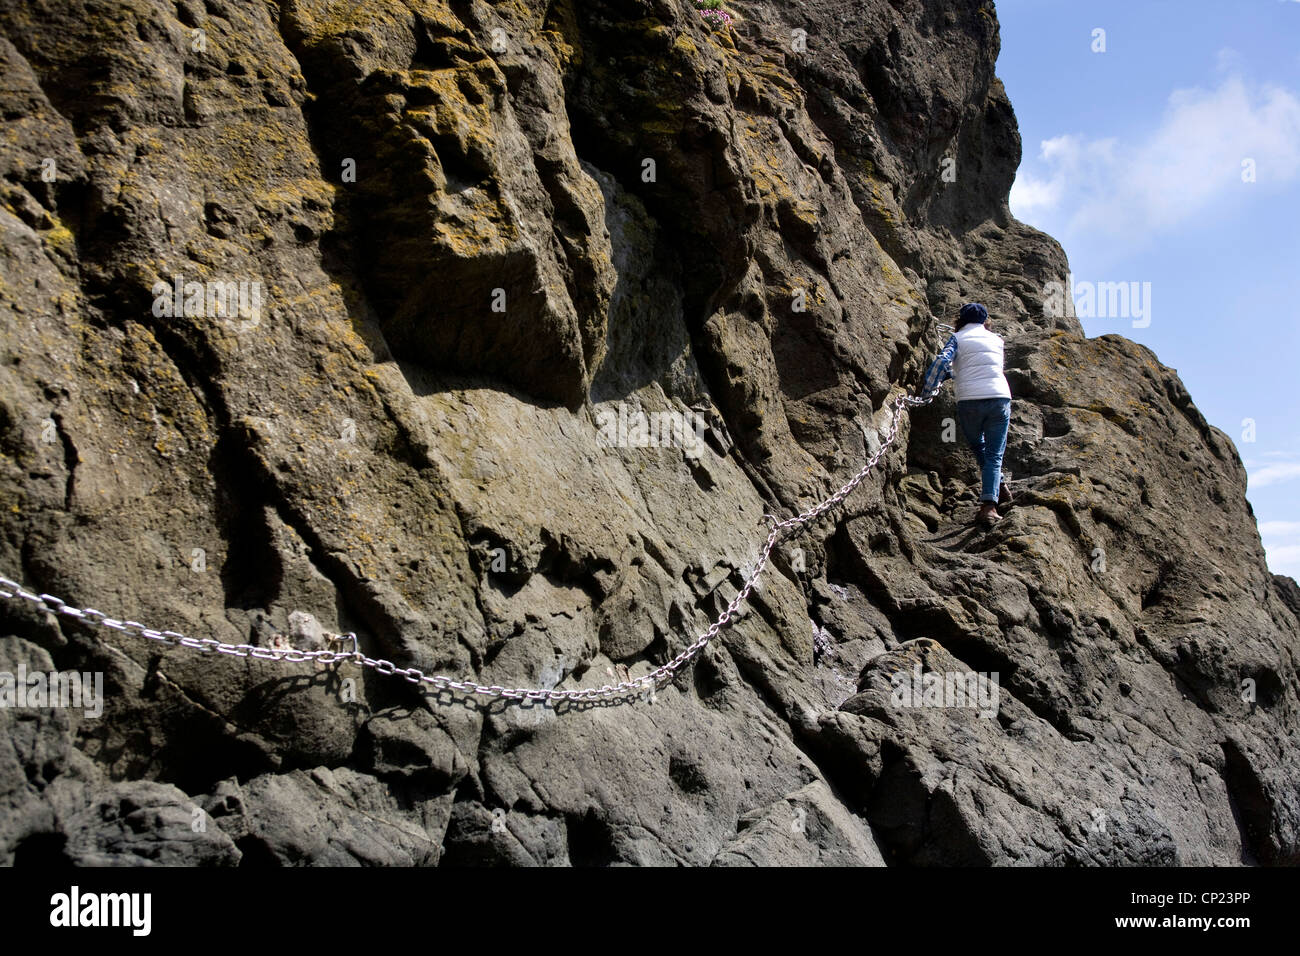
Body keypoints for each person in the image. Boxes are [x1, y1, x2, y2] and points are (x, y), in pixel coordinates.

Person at [921, 303, 1013, 527]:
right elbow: (984, 366)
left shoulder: (957, 338)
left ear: (960, 320)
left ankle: (990, 504)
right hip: (999, 397)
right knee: (994, 456)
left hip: (970, 401)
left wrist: (927, 389)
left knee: (978, 446)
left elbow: (943, 361)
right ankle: (995, 492)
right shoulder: (997, 340)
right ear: (985, 321)